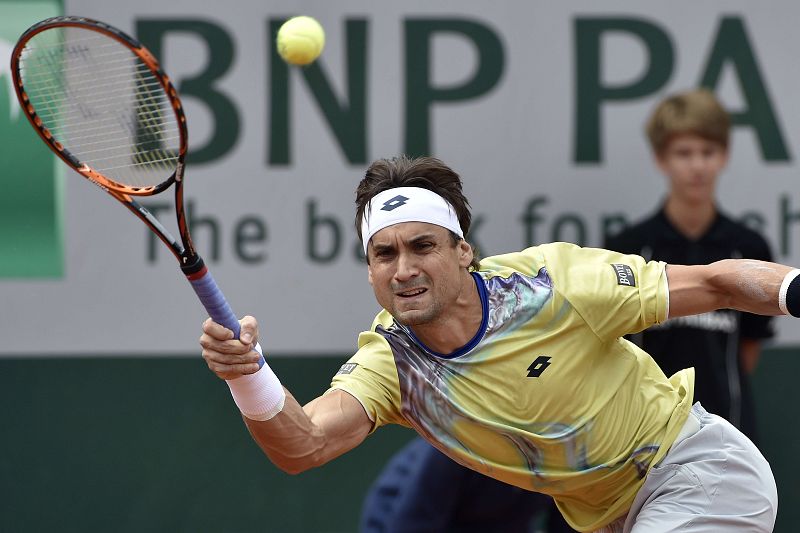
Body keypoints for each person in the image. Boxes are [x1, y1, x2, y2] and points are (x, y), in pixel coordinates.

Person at [199, 155, 791, 532]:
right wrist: (245, 377)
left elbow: (716, 283)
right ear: (370, 270)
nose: (403, 267)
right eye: (385, 253)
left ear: (463, 251)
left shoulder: (550, 285)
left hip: (696, 471)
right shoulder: (393, 366)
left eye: (423, 246)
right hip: (609, 517)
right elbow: (302, 446)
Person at [604, 89, 774, 442]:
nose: (697, 165)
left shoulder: (748, 248)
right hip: (645, 436)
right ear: (661, 159)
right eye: (683, 153)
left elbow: (749, 349)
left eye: (707, 152)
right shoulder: (630, 249)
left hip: (730, 431)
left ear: (724, 156)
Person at [359, 436, 574, 533]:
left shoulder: (562, 459)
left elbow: (565, 524)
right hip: (398, 519)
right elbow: (413, 523)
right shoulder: (455, 449)